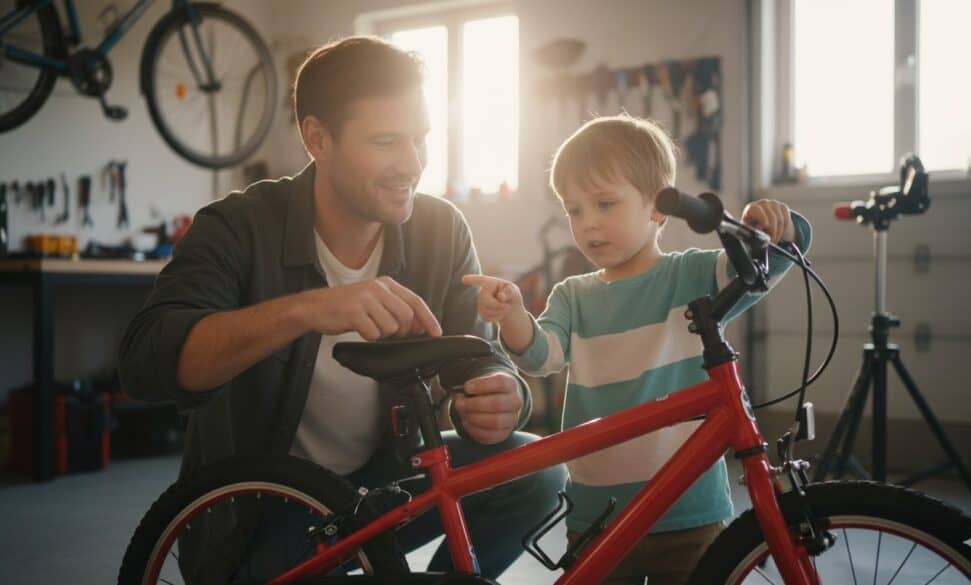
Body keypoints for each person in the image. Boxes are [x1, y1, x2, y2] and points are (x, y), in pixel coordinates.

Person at [118, 35, 565, 582]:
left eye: (420, 139)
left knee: (536, 471)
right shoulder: (236, 226)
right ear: (317, 138)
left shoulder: (439, 229)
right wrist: (307, 309)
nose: (412, 164)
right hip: (260, 510)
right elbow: (147, 362)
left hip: (378, 482)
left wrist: (502, 393)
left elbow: (476, 358)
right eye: (385, 141)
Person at [463, 114, 812, 584]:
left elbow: (763, 266)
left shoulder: (690, 276)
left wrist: (781, 226)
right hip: (598, 516)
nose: (588, 225)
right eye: (574, 210)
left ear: (657, 207)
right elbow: (540, 356)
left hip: (690, 511)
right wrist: (512, 317)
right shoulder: (573, 294)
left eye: (605, 204)